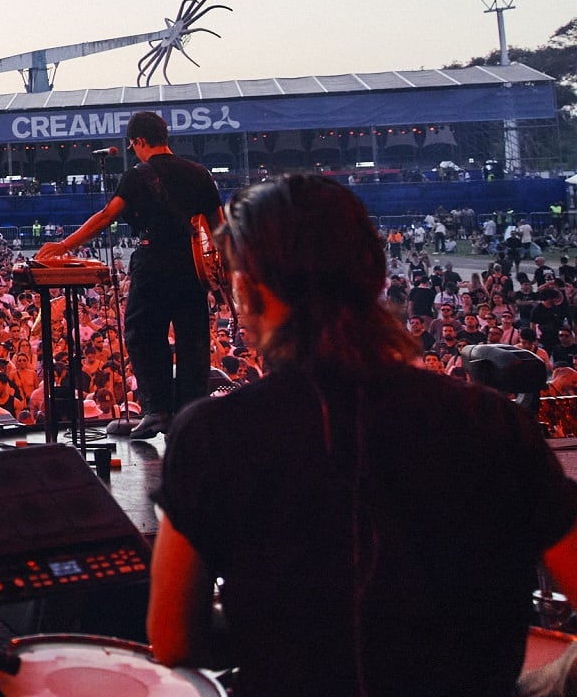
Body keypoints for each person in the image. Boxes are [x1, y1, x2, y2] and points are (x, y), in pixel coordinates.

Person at [148, 174, 577, 696]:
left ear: (250, 284)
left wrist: (267, 627)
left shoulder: (211, 434)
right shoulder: (494, 422)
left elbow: (170, 638)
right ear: (372, 272)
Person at [40, 111, 221, 439]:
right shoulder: (200, 173)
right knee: (193, 340)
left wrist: (65, 245)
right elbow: (219, 225)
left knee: (143, 334)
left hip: (154, 263)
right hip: (193, 267)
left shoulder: (138, 175)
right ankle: (191, 415)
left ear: (138, 141)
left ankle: (157, 412)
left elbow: (106, 216)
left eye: (133, 145)